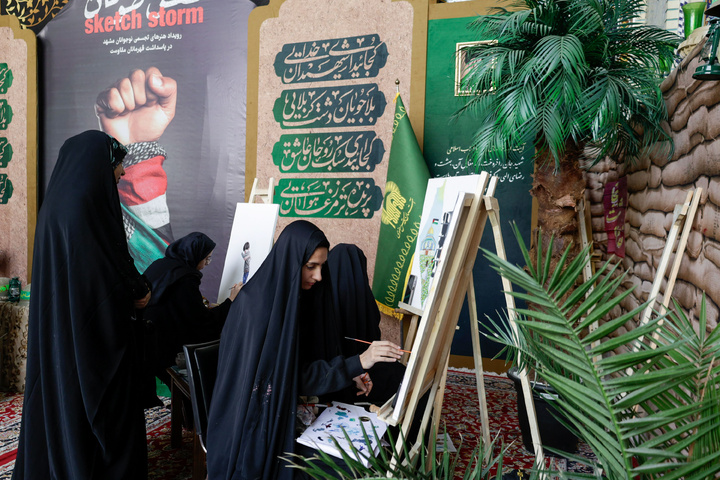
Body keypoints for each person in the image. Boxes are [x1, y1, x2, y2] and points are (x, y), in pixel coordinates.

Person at [207, 220, 403, 480]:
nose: (319, 276)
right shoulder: (258, 309)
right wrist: (357, 362)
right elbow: (288, 379)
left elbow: (297, 366)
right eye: (311, 266)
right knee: (352, 465)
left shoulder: (292, 298)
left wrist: (349, 370)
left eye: (322, 266)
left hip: (283, 409)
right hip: (254, 428)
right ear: (291, 261)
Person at [12, 130, 152, 480]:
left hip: (60, 331)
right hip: (93, 338)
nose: (121, 174)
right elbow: (104, 275)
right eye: (117, 165)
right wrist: (137, 291)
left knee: (63, 401)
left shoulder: (57, 204)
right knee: (104, 411)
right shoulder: (86, 207)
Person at [142, 232, 243, 392]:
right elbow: (202, 324)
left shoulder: (161, 265)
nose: (208, 263)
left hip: (146, 340)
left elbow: (178, 308)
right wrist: (231, 300)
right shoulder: (185, 279)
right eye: (206, 258)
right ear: (193, 255)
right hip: (164, 348)